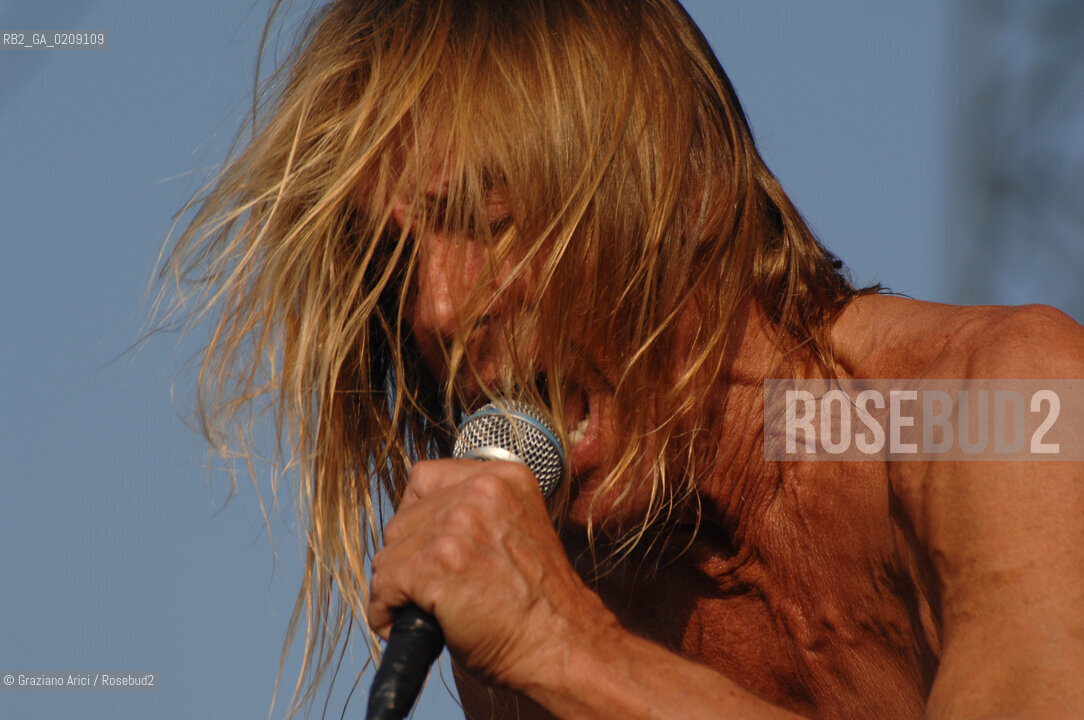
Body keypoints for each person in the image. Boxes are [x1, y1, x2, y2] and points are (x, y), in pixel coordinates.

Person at [162, 0, 1084, 718]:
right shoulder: (530, 638)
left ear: (693, 189)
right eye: (396, 262)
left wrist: (571, 650)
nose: (438, 308)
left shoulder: (1004, 408)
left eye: (490, 222)